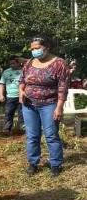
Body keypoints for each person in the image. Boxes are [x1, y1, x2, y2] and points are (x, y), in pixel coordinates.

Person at [19, 36, 69, 177]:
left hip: (49, 105)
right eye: (32, 48)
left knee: (51, 135)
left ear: (46, 47)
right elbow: (22, 80)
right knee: (32, 136)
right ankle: (33, 163)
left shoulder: (59, 64)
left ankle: (55, 164)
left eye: (37, 48)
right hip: (29, 105)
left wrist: (59, 107)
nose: (34, 51)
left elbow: (63, 87)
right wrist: (21, 92)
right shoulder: (29, 62)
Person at [0, 56, 24, 133]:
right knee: (8, 113)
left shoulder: (24, 71)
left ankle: (22, 129)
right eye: (10, 64)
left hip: (22, 96)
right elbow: (2, 84)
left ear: (18, 63)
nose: (11, 65)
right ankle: (7, 129)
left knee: (22, 114)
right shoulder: (6, 72)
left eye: (13, 63)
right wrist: (1, 95)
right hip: (10, 97)